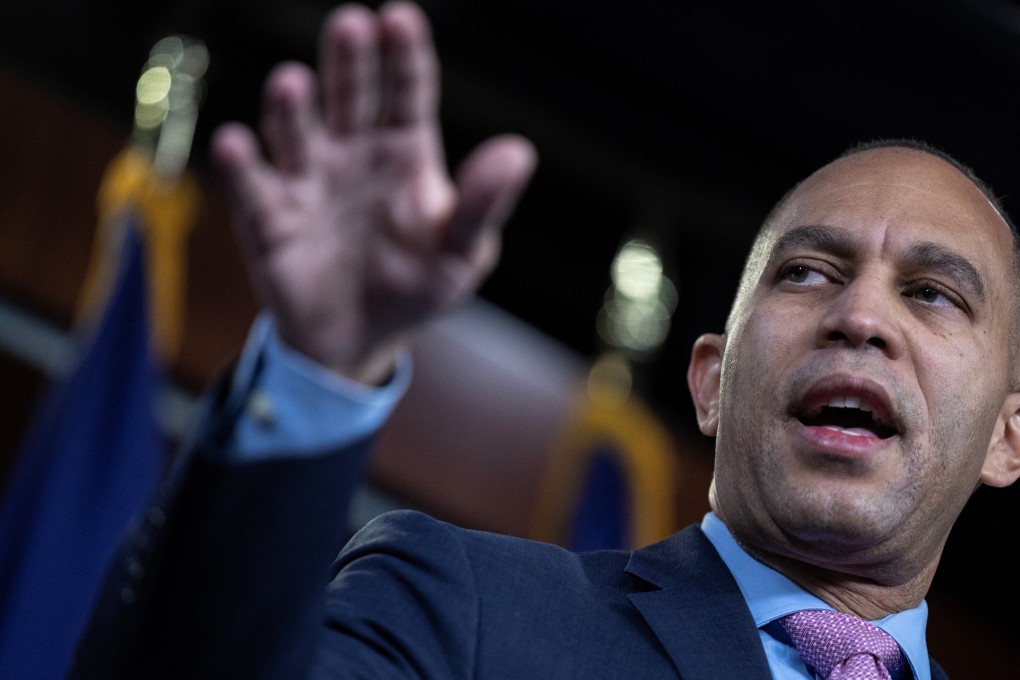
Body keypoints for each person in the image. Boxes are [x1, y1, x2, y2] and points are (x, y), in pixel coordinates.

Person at [70, 2, 1020, 678]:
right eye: (806, 272)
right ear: (712, 383)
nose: (859, 318)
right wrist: (318, 371)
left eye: (934, 294)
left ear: (1007, 440)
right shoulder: (469, 610)